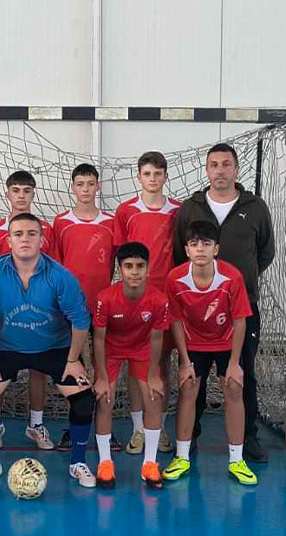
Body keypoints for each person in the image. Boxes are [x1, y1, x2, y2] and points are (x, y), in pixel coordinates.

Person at [0, 213, 96, 488]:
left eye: (31, 234)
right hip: (7, 348)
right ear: (8, 241)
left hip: (55, 348)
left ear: (42, 240)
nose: (24, 239)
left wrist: (73, 359)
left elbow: (80, 320)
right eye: (18, 234)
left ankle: (78, 463)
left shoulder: (61, 276)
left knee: (84, 400)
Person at [174, 143, 275, 463]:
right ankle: (189, 438)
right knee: (194, 377)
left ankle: (247, 439)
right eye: (214, 164)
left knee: (241, 374)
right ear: (207, 170)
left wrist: (236, 283)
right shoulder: (191, 208)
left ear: (236, 169)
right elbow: (178, 252)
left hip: (241, 309)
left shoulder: (255, 207)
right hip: (196, 312)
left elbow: (266, 252)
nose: (220, 170)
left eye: (226, 164)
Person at [165, 221, 257, 485]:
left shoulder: (232, 277)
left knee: (234, 388)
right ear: (187, 249)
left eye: (206, 244)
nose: (200, 249)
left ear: (216, 249)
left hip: (226, 342)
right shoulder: (175, 279)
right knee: (188, 388)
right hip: (193, 343)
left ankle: (237, 460)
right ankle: (182, 457)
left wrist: (235, 363)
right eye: (194, 244)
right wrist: (184, 361)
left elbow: (240, 320)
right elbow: (176, 321)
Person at [0, 170, 56, 452]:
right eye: (16, 190)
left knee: (39, 367)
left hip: (39, 312)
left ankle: (35, 424)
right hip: (4, 314)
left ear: (34, 194)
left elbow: (53, 271)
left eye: (26, 190)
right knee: (0, 367)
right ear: (7, 194)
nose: (21, 195)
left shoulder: (46, 230)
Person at [114, 151, 181, 455]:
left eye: (157, 173)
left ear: (165, 176)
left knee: (161, 363)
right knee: (135, 363)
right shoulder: (126, 211)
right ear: (138, 177)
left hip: (167, 299)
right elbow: (120, 257)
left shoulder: (179, 211)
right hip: (134, 300)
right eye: (147, 173)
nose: (152, 179)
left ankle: (160, 427)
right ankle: (139, 429)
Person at [92, 242, 171, 490]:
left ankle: (149, 464)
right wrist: (101, 377)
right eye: (128, 266)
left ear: (148, 268)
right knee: (105, 399)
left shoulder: (159, 300)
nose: (134, 272)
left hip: (142, 349)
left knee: (154, 397)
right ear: (120, 269)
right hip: (111, 350)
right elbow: (99, 339)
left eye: (140, 266)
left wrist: (154, 374)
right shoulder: (105, 298)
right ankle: (105, 463)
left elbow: (156, 339)